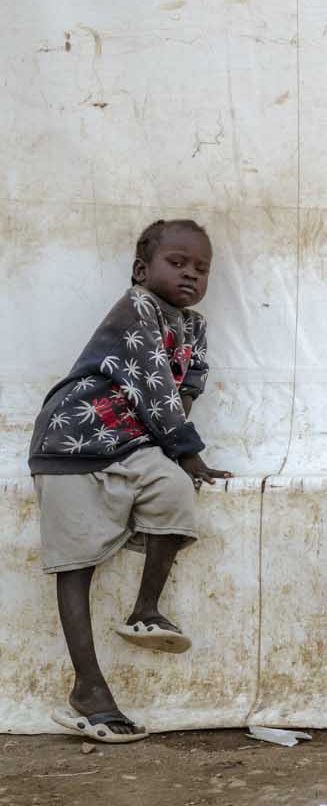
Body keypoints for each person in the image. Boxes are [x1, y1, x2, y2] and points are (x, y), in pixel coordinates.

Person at [29, 219, 232, 744]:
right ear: (142, 270)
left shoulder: (195, 326)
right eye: (177, 263)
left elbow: (187, 388)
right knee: (74, 563)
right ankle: (89, 690)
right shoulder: (136, 307)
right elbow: (156, 388)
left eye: (201, 268)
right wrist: (188, 451)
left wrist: (180, 454)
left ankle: (145, 611)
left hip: (131, 442)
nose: (190, 274)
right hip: (71, 441)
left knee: (174, 492)